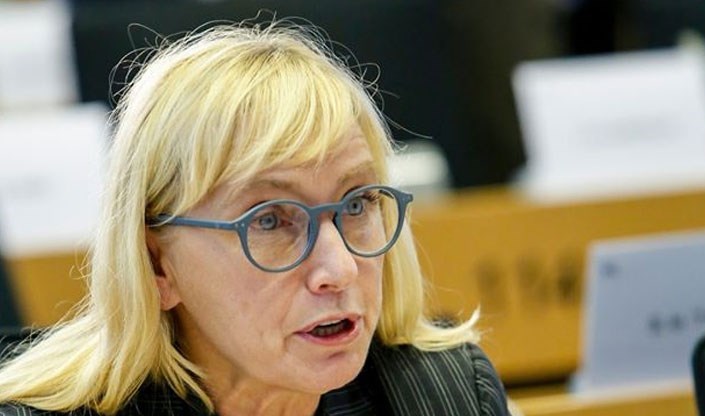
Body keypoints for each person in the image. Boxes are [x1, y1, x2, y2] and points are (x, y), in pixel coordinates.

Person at [0, 18, 510, 416]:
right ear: (156, 265)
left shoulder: (448, 393)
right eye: (269, 221)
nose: (339, 269)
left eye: (356, 204)